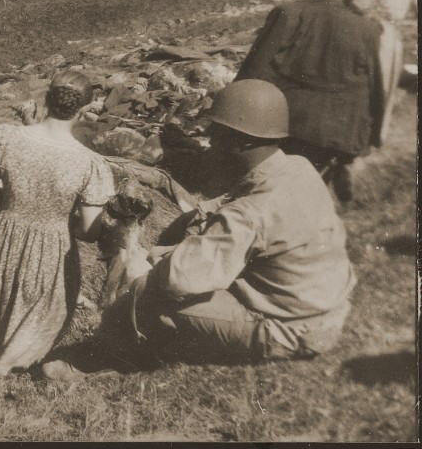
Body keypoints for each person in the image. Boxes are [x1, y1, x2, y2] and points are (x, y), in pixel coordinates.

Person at [43, 80, 357, 381]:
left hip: (292, 330)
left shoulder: (248, 214)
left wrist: (146, 261)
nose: (210, 144)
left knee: (145, 289)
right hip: (325, 309)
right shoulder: (297, 166)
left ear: (242, 142)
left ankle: (97, 359)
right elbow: (236, 204)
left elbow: (179, 280)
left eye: (217, 135)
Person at [0, 67, 116, 380]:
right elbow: (87, 230)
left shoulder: (5, 136)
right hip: (52, 243)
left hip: (5, 232)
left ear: (46, 99)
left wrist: (19, 204)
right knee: (40, 308)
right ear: (83, 110)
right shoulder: (89, 162)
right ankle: (3, 366)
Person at [234, 0, 387, 203]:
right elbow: (374, 87)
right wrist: (368, 139)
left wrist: (229, 117)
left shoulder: (291, 12)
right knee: (307, 191)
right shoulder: (367, 28)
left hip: (287, 126)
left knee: (265, 190)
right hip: (337, 132)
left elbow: (256, 69)